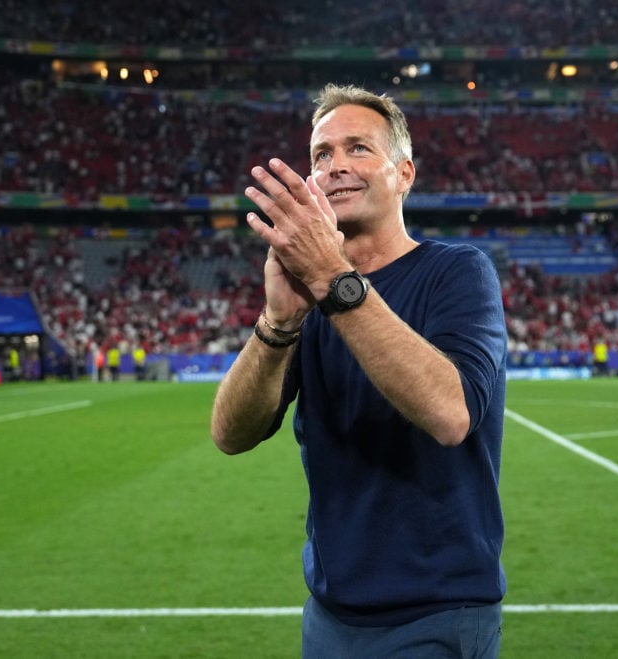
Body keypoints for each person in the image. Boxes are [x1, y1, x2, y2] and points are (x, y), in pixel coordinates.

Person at [210, 84, 507, 658]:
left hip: (436, 612)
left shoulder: (458, 273)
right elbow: (230, 435)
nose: (335, 165)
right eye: (321, 155)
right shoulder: (308, 294)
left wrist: (332, 280)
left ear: (404, 174)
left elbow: (451, 415)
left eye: (358, 149)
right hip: (329, 613)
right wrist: (277, 322)